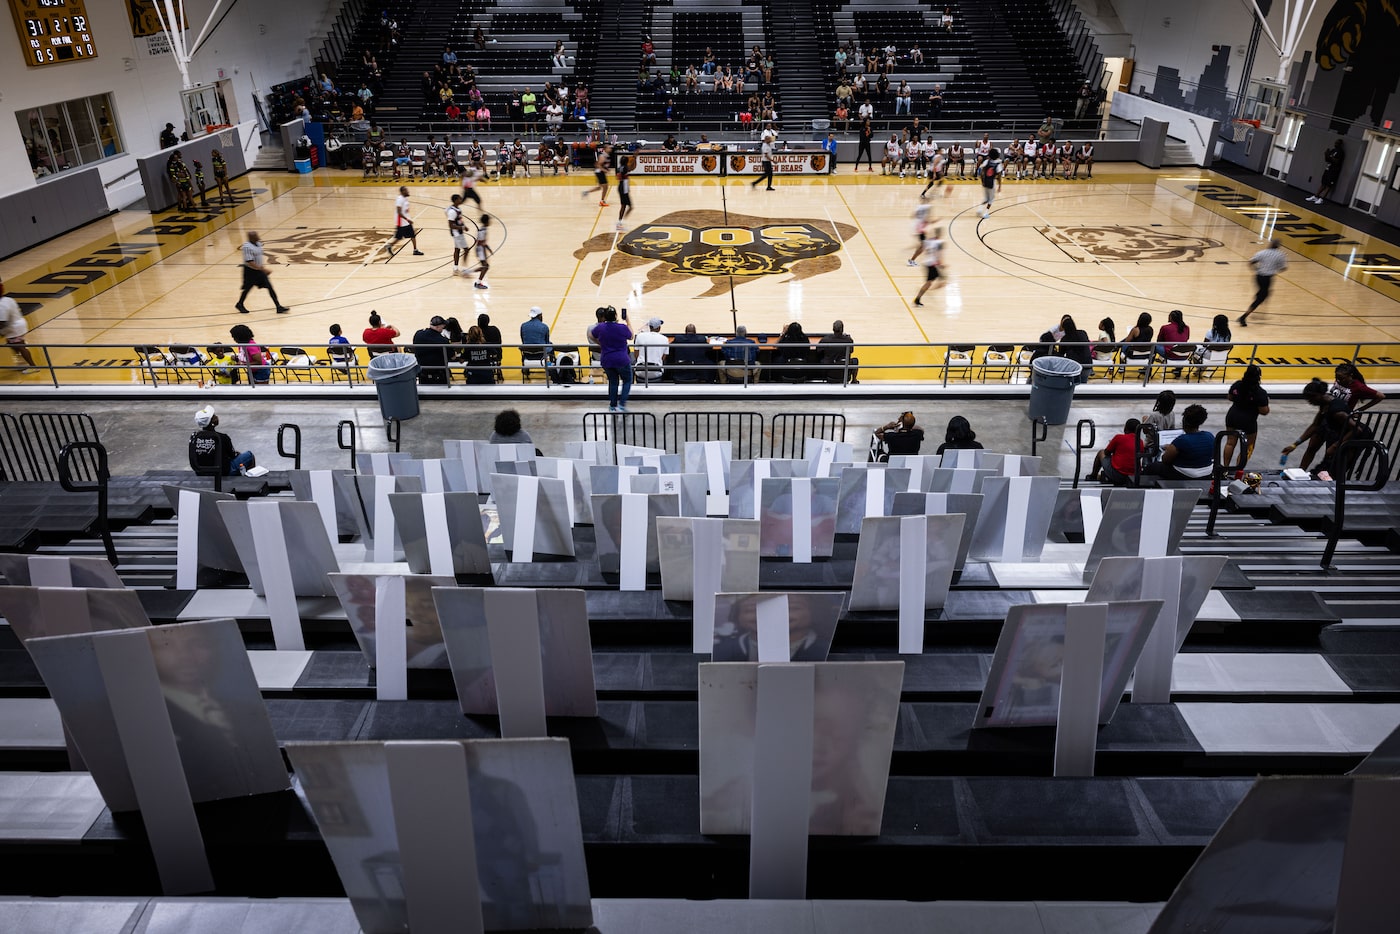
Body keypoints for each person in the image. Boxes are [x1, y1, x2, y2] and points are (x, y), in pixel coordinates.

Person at [1286, 377, 1373, 477]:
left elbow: (1356, 429)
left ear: (1319, 395)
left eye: (1310, 399)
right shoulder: (1324, 403)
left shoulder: (1337, 411)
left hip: (1356, 436)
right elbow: (1315, 425)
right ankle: (1300, 474)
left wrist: (1336, 445)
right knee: (1318, 451)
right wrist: (1295, 444)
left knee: (1335, 467)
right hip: (1339, 430)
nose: (1309, 402)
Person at [1223, 364, 1270, 470]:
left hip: (1232, 416)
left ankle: (1225, 468)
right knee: (1248, 446)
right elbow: (1264, 411)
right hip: (1248, 420)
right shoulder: (1260, 392)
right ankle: (1238, 471)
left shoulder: (1237, 385)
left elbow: (1230, 397)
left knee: (1230, 442)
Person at [190, 406, 256, 476]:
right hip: (223, 472)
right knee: (249, 455)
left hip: (201, 472)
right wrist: (236, 454)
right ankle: (248, 481)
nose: (216, 417)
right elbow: (232, 455)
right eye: (214, 416)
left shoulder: (194, 438)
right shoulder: (222, 437)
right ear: (212, 422)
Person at [1156, 404, 1215, 479]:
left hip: (1184, 474)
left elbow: (1165, 460)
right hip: (1207, 473)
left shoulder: (1181, 440)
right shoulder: (1210, 436)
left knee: (1152, 467)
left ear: (1184, 421)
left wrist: (1169, 449)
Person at [235, 231, 288, 314]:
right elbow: (250, 261)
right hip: (250, 272)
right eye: (255, 236)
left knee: (270, 287)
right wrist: (263, 270)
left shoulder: (259, 244)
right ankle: (239, 304)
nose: (258, 237)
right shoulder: (247, 247)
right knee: (247, 289)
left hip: (259, 270)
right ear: (251, 238)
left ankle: (278, 307)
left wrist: (262, 267)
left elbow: (258, 258)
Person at [1239, 238, 1286, 326]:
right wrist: (1274, 268)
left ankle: (1259, 299)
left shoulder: (1262, 252)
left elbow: (1250, 262)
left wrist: (1255, 270)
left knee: (1262, 293)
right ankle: (1243, 317)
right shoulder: (1280, 255)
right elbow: (1283, 268)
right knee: (1261, 298)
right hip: (1268, 278)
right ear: (1278, 246)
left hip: (1258, 277)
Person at [595, 307, 634, 410]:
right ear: (616, 316)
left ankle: (612, 406)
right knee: (627, 380)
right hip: (621, 360)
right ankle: (621, 405)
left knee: (613, 382)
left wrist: (600, 343)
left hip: (607, 359)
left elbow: (591, 334)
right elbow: (631, 336)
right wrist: (627, 321)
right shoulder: (622, 327)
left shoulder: (601, 327)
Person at [1, 279, 39, 374]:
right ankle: (22, 363)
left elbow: (2, 323)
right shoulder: (8, 299)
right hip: (19, 323)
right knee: (12, 344)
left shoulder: (1, 306)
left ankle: (33, 366)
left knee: (20, 346)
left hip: (13, 328)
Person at [1090, 419, 1143, 486]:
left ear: (1125, 428)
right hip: (1134, 476)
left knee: (1101, 453)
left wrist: (1113, 447)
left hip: (1118, 474)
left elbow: (1106, 453)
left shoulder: (1119, 438)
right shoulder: (1140, 442)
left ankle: (1093, 476)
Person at [409, 315, 451, 385]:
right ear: (438, 327)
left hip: (422, 372)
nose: (443, 328)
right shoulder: (442, 340)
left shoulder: (418, 334)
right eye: (443, 326)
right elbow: (451, 356)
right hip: (439, 374)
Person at [912, 223, 945, 306]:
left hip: (927, 263)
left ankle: (922, 295)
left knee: (931, 282)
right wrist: (941, 264)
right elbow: (939, 255)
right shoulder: (940, 243)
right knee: (938, 282)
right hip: (932, 265)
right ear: (940, 234)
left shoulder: (929, 241)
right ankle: (920, 297)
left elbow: (922, 247)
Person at [818, 319, 858, 384]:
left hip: (829, 373)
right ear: (842, 329)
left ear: (833, 329)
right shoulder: (849, 340)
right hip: (844, 373)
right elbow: (851, 351)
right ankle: (854, 380)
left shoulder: (825, 340)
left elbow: (818, 351)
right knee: (855, 360)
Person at [1309, 139, 1345, 203]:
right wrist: (1326, 154)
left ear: (1340, 144)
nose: (1335, 144)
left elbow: (1337, 161)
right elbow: (1327, 159)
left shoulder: (1340, 152)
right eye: (1335, 142)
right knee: (1323, 183)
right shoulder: (1333, 150)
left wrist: (1330, 156)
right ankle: (1316, 196)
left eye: (1337, 143)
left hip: (1334, 171)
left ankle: (1322, 199)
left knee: (1328, 185)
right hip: (1328, 168)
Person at [390, 186, 423, 257]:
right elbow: (399, 212)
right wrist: (407, 219)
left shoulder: (405, 198)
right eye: (406, 190)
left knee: (412, 235)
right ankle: (389, 246)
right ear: (402, 192)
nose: (408, 191)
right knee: (399, 237)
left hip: (406, 221)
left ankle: (415, 250)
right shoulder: (399, 199)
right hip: (401, 222)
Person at [446, 193, 469, 275]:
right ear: (455, 200)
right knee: (466, 249)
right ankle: (464, 269)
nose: (461, 200)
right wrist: (462, 228)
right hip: (457, 233)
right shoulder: (452, 211)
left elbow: (459, 220)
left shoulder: (457, 209)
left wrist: (464, 226)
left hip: (459, 232)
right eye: (459, 199)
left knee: (457, 249)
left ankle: (455, 269)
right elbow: (451, 225)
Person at [478, 312, 504, 382]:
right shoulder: (494, 329)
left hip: (480, 355)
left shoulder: (476, 331)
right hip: (495, 355)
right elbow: (499, 342)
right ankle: (498, 370)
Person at [977, 148, 1002, 218]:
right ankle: (986, 213)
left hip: (985, 181)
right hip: (992, 183)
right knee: (991, 199)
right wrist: (1000, 186)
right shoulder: (998, 164)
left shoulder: (986, 162)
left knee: (985, 198)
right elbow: (999, 176)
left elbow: (981, 172)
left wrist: (982, 181)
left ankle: (979, 209)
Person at [471, 213, 492, 290]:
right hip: (481, 250)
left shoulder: (483, 229)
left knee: (485, 266)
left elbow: (482, 242)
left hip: (480, 249)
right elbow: (480, 243)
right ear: (486, 222)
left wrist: (488, 248)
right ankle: (478, 283)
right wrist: (484, 252)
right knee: (485, 267)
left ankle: (473, 276)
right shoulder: (482, 231)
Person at [615, 155, 633, 230]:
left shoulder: (619, 168)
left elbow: (618, 177)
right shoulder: (625, 168)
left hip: (620, 187)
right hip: (624, 189)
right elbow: (631, 168)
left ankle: (620, 222)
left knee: (624, 206)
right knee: (629, 206)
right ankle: (620, 223)